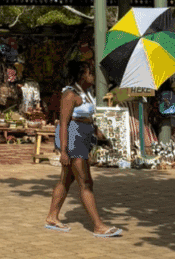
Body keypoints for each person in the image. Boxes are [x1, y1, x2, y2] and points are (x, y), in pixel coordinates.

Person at [45, 60, 122, 236]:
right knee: (85, 182)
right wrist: (63, 151)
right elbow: (63, 123)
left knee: (66, 180)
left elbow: (88, 117)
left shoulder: (87, 94)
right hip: (73, 139)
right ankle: (98, 225)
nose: (93, 76)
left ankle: (52, 216)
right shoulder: (70, 95)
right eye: (90, 73)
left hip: (84, 137)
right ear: (82, 75)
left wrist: (98, 132)